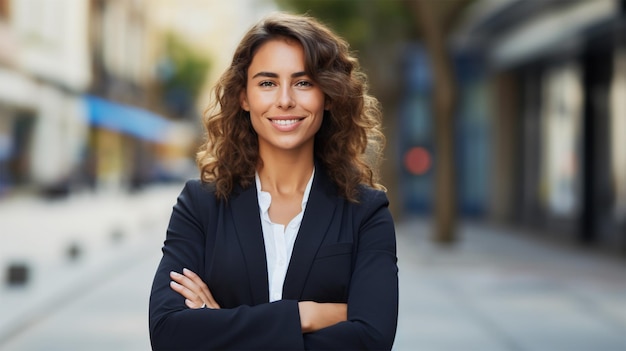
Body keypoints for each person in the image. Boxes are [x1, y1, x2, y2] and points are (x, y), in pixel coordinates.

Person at [149, 12, 398, 350]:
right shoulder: (201, 204)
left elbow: (371, 339)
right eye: (267, 83)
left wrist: (219, 323)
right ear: (244, 97)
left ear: (327, 95)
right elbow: (168, 332)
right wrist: (304, 315)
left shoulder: (365, 211)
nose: (284, 100)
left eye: (303, 82)